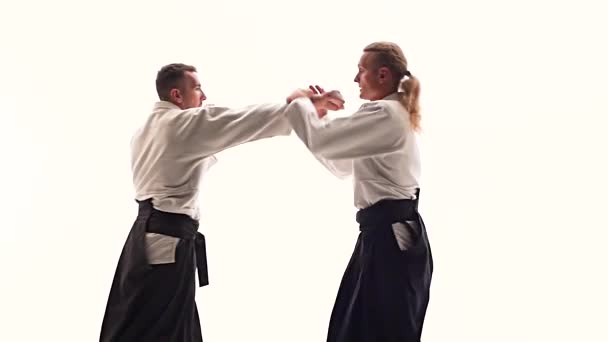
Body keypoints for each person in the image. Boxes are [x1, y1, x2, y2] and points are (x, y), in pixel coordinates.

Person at [98, 63, 344, 342]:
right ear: (177, 95)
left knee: (144, 323)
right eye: (198, 88)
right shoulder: (181, 125)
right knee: (161, 331)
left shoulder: (146, 128)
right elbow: (241, 121)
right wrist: (297, 107)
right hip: (168, 242)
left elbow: (223, 119)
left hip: (146, 239)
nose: (203, 96)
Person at [285, 42, 433, 341]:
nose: (355, 79)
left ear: (382, 75)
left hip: (390, 240)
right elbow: (340, 164)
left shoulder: (386, 114)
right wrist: (320, 117)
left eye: (361, 71)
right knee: (355, 329)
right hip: (381, 236)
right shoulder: (388, 114)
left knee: (375, 332)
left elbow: (323, 141)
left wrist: (299, 102)